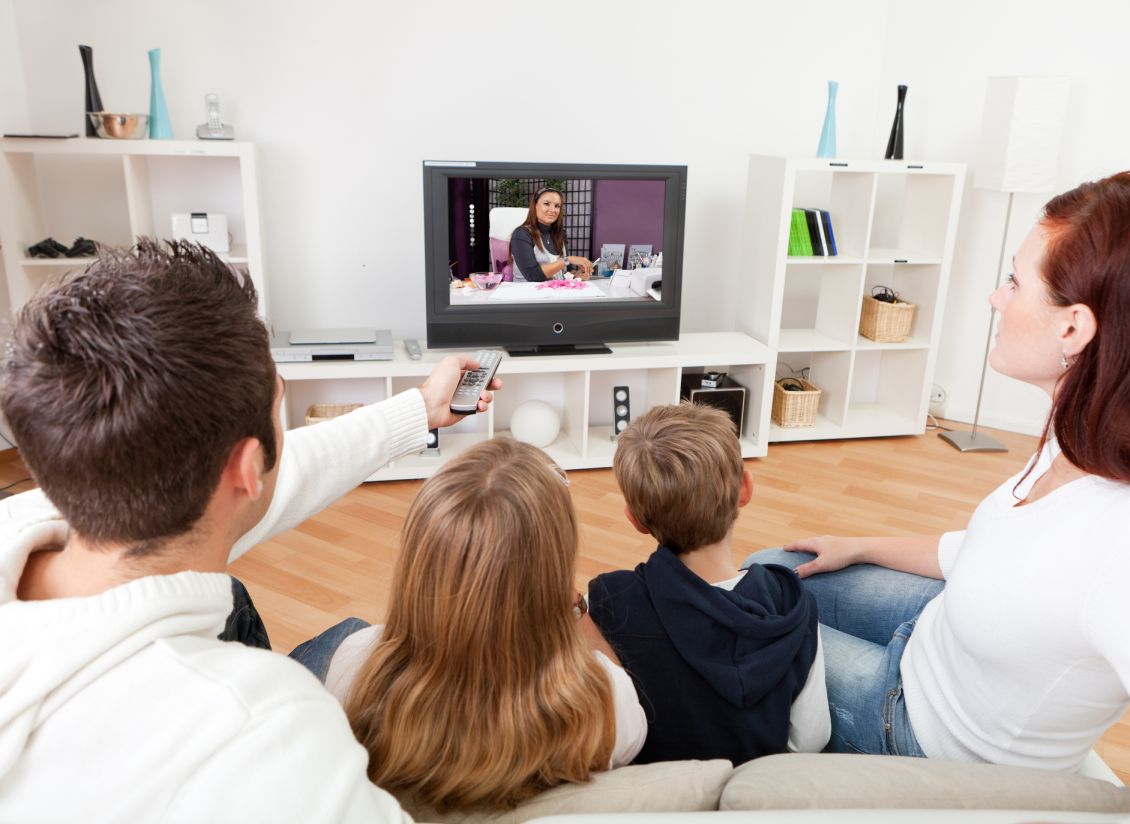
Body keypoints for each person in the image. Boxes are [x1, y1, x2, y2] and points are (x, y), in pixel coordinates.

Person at [745, 171, 1130, 818]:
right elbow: (998, 550)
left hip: (920, 740)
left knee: (740, 627)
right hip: (936, 634)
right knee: (770, 571)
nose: (995, 297)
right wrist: (862, 545)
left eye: (1015, 282)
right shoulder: (1089, 428)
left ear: (1074, 329)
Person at [0, 240, 499, 823]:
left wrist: (418, 408)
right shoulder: (269, 734)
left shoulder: (47, 512)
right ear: (243, 469)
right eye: (279, 408)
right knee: (360, 639)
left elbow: (280, 477)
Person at [292, 438, 646, 812]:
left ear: (420, 561)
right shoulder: (605, 700)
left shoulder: (355, 665)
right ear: (551, 567)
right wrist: (576, 610)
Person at [588, 402, 829, 766]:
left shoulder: (608, 598)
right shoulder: (790, 602)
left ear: (635, 520)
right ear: (745, 489)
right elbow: (811, 739)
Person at [509, 186, 593, 282]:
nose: (553, 210)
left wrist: (576, 276)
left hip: (556, 294)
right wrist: (568, 259)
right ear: (535, 205)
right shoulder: (521, 234)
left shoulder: (560, 234)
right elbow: (533, 275)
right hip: (528, 294)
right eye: (546, 204)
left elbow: (565, 272)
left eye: (557, 206)